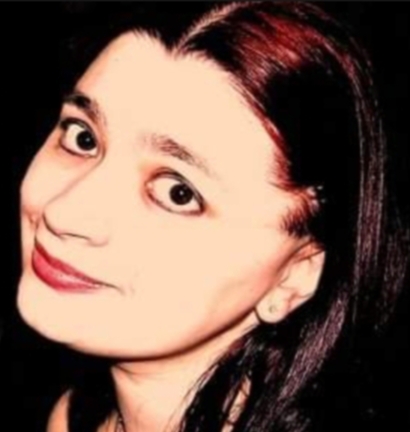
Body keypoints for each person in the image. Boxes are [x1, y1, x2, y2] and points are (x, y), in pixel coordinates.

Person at [16, 2, 408, 432]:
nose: (64, 212)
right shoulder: (78, 415)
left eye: (178, 193)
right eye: (83, 138)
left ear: (296, 274)